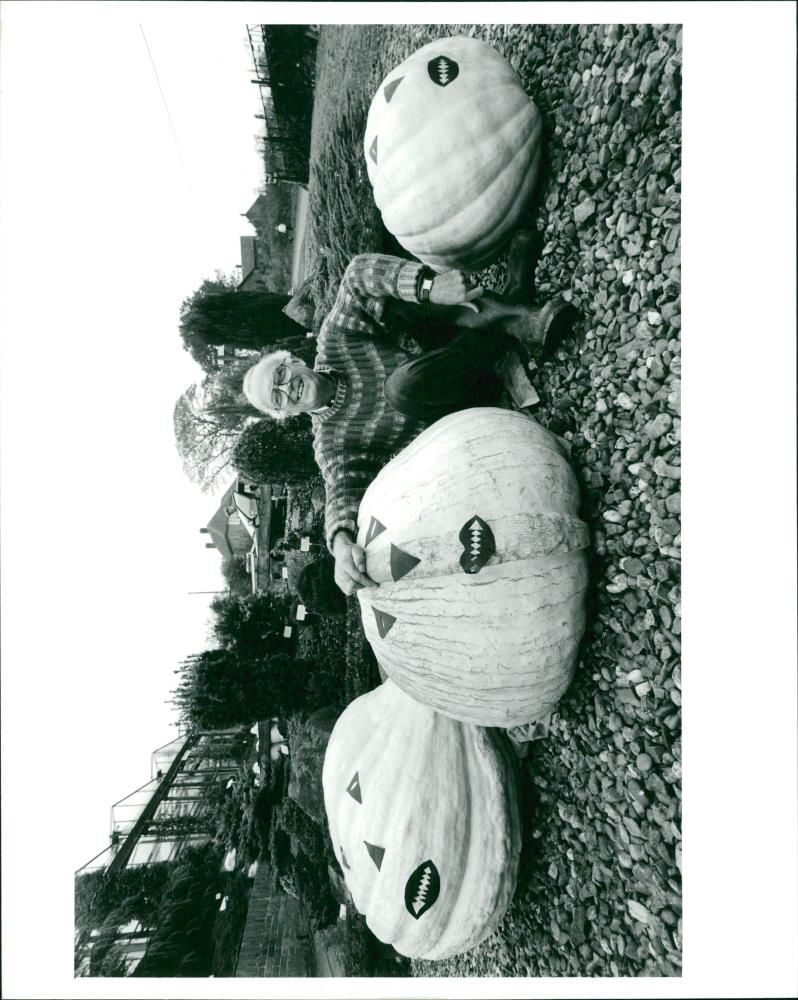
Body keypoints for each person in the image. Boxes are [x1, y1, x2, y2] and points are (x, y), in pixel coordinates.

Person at [243, 233, 576, 596]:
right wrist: (340, 546)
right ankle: (514, 308)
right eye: (278, 398)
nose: (287, 388)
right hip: (464, 408)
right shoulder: (332, 440)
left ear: (292, 362)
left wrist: (430, 287)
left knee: (395, 305)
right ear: (286, 414)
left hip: (451, 348)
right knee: (400, 388)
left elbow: (356, 276)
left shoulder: (333, 342)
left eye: (280, 376)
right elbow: (341, 491)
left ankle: (517, 316)